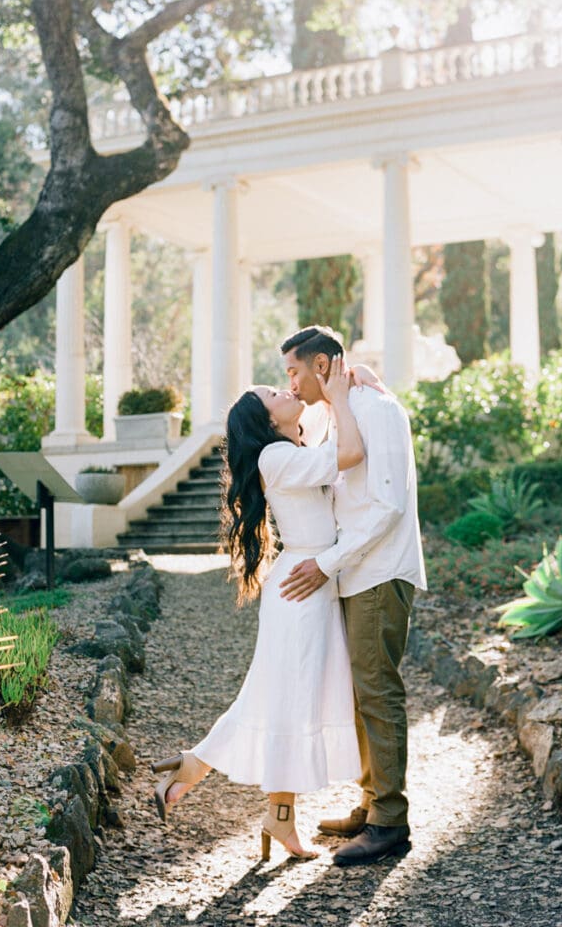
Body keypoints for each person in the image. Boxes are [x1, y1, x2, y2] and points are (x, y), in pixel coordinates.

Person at [151, 357, 365, 860]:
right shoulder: (277, 458)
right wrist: (343, 396)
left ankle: (257, 803)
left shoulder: (291, 449)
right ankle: (207, 772)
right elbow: (352, 450)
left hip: (306, 583)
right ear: (265, 421)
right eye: (275, 394)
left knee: (284, 699)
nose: (288, 391)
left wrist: (344, 388)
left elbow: (323, 425)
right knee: (287, 700)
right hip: (301, 589)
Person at [279, 325, 427, 867]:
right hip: (351, 573)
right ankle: (371, 803)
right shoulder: (329, 410)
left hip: (379, 572)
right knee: (360, 692)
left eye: (293, 371)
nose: (289, 384)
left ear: (321, 366)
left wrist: (324, 564)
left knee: (378, 691)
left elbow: (386, 507)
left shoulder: (378, 410)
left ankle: (391, 821)